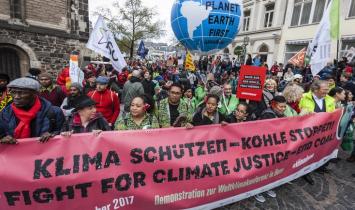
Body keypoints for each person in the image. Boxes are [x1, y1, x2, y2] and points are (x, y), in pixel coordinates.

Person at [0, 77, 64, 144]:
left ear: (35, 93)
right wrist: (3, 138)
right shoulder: (5, 113)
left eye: (22, 93)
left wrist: (52, 135)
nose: (16, 97)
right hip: (14, 153)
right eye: (13, 92)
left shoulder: (54, 112)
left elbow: (63, 134)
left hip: (45, 152)